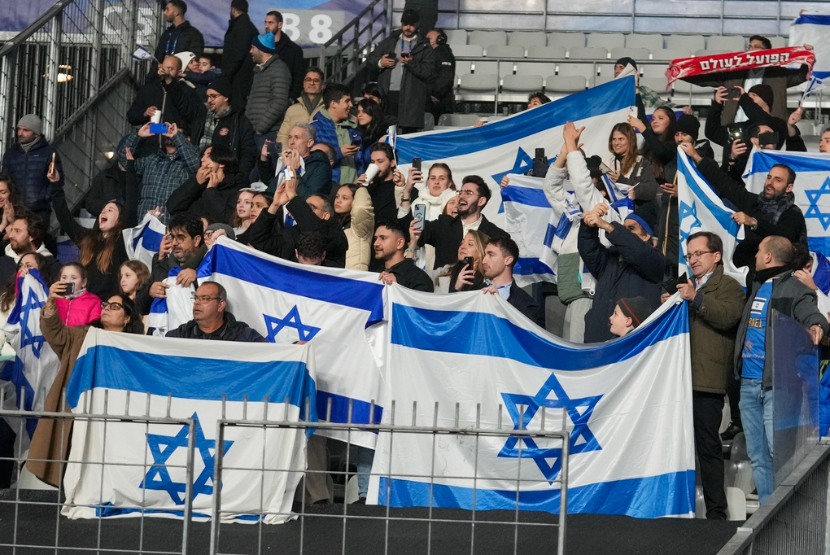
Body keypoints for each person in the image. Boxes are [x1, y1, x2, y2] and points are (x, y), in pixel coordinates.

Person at [736, 235, 828, 503]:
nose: (754, 256)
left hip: (775, 385)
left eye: (759, 252)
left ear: (767, 257)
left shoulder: (795, 287)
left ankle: (787, 515)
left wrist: (816, 324)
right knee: (758, 457)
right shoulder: (756, 283)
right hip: (748, 383)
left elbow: (810, 310)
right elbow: (739, 256)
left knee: (779, 455)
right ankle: (766, 517)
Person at [28, 293, 143, 486]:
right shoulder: (84, 335)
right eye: (106, 304)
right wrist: (50, 304)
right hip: (80, 414)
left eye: (115, 307)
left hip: (116, 419)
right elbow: (56, 333)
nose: (106, 308)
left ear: (127, 318)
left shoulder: (137, 347)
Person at [672, 231, 745, 519]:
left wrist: (695, 298)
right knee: (675, 447)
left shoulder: (729, 287)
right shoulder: (684, 287)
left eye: (698, 254)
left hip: (706, 381)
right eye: (689, 255)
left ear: (716, 256)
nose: (692, 260)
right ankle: (676, 506)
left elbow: (728, 317)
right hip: (676, 379)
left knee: (707, 447)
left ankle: (716, 512)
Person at [681, 143, 807, 282]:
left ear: (789, 187)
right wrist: (697, 157)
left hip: (778, 281)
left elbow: (785, 236)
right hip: (747, 279)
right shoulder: (753, 202)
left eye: (778, 180)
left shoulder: (792, 213)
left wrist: (754, 223)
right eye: (769, 177)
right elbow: (725, 183)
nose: (770, 183)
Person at [578, 202, 665, 343]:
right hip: (598, 341)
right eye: (624, 228)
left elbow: (637, 251)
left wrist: (608, 226)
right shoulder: (610, 259)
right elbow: (588, 251)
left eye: (631, 229)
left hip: (630, 347)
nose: (625, 233)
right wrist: (588, 226)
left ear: (646, 236)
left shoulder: (654, 260)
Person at [685, 35, 812, 123]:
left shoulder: (779, 74)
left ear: (768, 52)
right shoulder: (734, 73)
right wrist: (682, 71)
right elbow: (704, 80)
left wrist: (807, 56)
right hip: (735, 126)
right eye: (749, 47)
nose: (751, 50)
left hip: (767, 128)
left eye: (756, 47)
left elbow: (801, 76)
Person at [406, 175, 507, 270]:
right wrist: (406, 192)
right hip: (444, 286)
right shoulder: (443, 224)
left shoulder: (496, 235)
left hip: (479, 288)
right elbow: (403, 227)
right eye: (460, 192)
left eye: (468, 193)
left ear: (481, 201)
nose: (461, 197)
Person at [247, 175, 348, 266]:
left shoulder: (336, 234)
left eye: (310, 208)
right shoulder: (293, 234)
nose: (304, 210)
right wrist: (275, 205)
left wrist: (293, 197)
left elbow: (316, 230)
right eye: (304, 207)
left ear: (325, 215)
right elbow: (258, 241)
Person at [366, 10, 435, 134]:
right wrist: (381, 63)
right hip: (388, 93)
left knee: (408, 133)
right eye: (405, 23)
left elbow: (428, 72)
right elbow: (370, 59)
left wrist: (411, 63)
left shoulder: (424, 46)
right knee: (385, 130)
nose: (408, 27)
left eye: (411, 24)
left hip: (411, 96)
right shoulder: (389, 42)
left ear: (418, 24)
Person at [120, 123, 201, 215]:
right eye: (168, 131)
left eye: (176, 132)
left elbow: (196, 166)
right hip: (145, 222)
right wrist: (138, 136)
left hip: (173, 225)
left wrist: (176, 137)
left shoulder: (188, 164)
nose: (170, 135)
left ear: (187, 139)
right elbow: (126, 162)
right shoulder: (152, 159)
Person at [127, 55, 204, 144]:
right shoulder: (148, 89)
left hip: (175, 146)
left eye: (170, 69)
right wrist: (145, 113)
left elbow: (190, 114)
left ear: (179, 72)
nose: (165, 71)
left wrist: (169, 80)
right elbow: (131, 116)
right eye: (164, 68)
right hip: (151, 146)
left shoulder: (187, 91)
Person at [1, 115, 62, 226]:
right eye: (19, 129)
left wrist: (44, 198)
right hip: (15, 210)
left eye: (25, 130)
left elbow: (57, 179)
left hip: (39, 210)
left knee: (36, 240)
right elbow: (5, 181)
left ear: (36, 132)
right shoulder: (10, 154)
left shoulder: (48, 152)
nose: (20, 133)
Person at [141, 213, 207, 315]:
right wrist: (149, 293)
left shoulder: (209, 267)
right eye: (172, 237)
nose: (175, 243)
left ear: (196, 240)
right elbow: (139, 308)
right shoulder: (162, 267)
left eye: (181, 237)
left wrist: (199, 276)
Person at [397, 162, 457, 270]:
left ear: (449, 183)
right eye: (432, 178)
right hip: (417, 261)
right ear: (428, 181)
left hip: (443, 265)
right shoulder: (417, 202)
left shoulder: (454, 205)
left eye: (442, 178)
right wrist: (406, 190)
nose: (436, 182)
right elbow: (403, 227)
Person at [246, 31, 292, 172]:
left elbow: (279, 102)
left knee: (265, 172)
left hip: (268, 134)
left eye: (253, 47)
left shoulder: (279, 70)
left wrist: (260, 128)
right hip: (257, 133)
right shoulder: (261, 71)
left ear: (261, 49)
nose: (250, 51)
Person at [166, 144, 246, 223]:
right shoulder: (199, 184)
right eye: (203, 156)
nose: (202, 160)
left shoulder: (236, 187)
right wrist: (195, 182)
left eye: (208, 156)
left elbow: (227, 219)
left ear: (222, 162)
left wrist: (211, 191)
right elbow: (172, 207)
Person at [166, 281, 266, 341]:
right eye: (196, 298)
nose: (197, 303)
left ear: (220, 305)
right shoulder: (178, 336)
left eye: (205, 298)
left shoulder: (246, 336)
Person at [258, 122, 332, 199]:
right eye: (290, 137)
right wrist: (264, 158)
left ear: (309, 143)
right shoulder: (287, 159)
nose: (291, 142)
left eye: (297, 137)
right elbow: (271, 183)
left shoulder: (320, 166)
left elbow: (309, 197)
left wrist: (292, 171)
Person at [201, 77, 256, 180]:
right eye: (208, 96)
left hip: (229, 176)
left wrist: (240, 176)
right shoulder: (204, 116)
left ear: (226, 97)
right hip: (204, 173)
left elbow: (248, 152)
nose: (209, 100)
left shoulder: (239, 120)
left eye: (213, 96)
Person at [481, 236, 543, 325]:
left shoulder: (526, 304)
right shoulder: (473, 290)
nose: (484, 261)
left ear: (508, 260)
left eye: (491, 255)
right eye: (484, 255)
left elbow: (522, 335)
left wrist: (499, 304)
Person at [311, 84, 362, 184]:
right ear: (334, 103)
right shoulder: (315, 128)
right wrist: (338, 153)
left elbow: (361, 160)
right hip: (330, 189)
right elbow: (312, 160)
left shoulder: (353, 127)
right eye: (347, 101)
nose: (351, 105)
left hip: (354, 188)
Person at [0, 211, 59, 287]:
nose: (11, 235)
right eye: (12, 230)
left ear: (32, 236)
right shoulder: (2, 263)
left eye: (17, 231)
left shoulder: (52, 266)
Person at [606, 122, 658, 205]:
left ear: (630, 141)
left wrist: (622, 181)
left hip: (636, 211)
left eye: (621, 139)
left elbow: (651, 190)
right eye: (614, 139)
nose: (616, 143)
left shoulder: (642, 163)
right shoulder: (608, 163)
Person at [374, 221, 434, 291]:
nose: (376, 243)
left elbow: (418, 301)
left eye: (383, 238)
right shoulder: (375, 274)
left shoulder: (419, 278)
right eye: (375, 238)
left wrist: (397, 287)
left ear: (399, 243)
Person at [277, 67, 325, 151]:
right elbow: (282, 136)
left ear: (322, 85)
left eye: (316, 80)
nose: (312, 83)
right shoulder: (292, 110)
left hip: (320, 158)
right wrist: (285, 155)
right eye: (308, 80)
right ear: (304, 83)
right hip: (294, 157)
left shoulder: (328, 108)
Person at [222, 0, 259, 106]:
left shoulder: (242, 27)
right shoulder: (244, 26)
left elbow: (238, 54)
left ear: (233, 10)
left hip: (238, 79)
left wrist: (227, 75)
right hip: (238, 77)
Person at [263, 10, 306, 100]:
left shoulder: (293, 50)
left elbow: (298, 78)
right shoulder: (260, 47)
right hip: (261, 98)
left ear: (280, 25)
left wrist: (291, 98)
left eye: (270, 23)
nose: (267, 26)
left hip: (283, 99)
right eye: (265, 22)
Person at [334, 184, 374, 270]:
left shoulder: (360, 226)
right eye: (337, 197)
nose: (338, 201)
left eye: (345, 198)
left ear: (355, 201)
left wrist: (361, 188)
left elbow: (361, 208)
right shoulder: (334, 223)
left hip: (354, 277)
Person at [357, 143, 397, 225]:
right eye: (372, 162)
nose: (376, 166)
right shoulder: (369, 187)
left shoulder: (400, 187)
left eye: (380, 161)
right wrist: (359, 188)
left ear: (392, 163)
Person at [153, 0, 203, 64]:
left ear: (176, 12)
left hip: (181, 73)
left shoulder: (193, 34)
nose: (164, 13)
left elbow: (194, 60)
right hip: (162, 72)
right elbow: (157, 57)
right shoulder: (167, 33)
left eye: (167, 10)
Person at [425, 29, 455, 121]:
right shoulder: (429, 54)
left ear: (440, 39)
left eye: (429, 38)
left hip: (439, 102)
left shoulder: (444, 54)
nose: (426, 40)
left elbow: (445, 78)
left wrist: (433, 94)